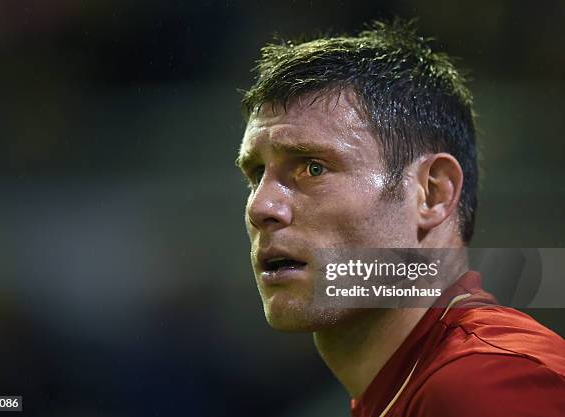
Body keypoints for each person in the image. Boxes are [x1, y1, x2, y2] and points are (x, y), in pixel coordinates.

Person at [236, 20, 565, 416]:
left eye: (313, 168)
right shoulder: (414, 384)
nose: (261, 207)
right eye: (256, 174)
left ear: (432, 193)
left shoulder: (489, 385)